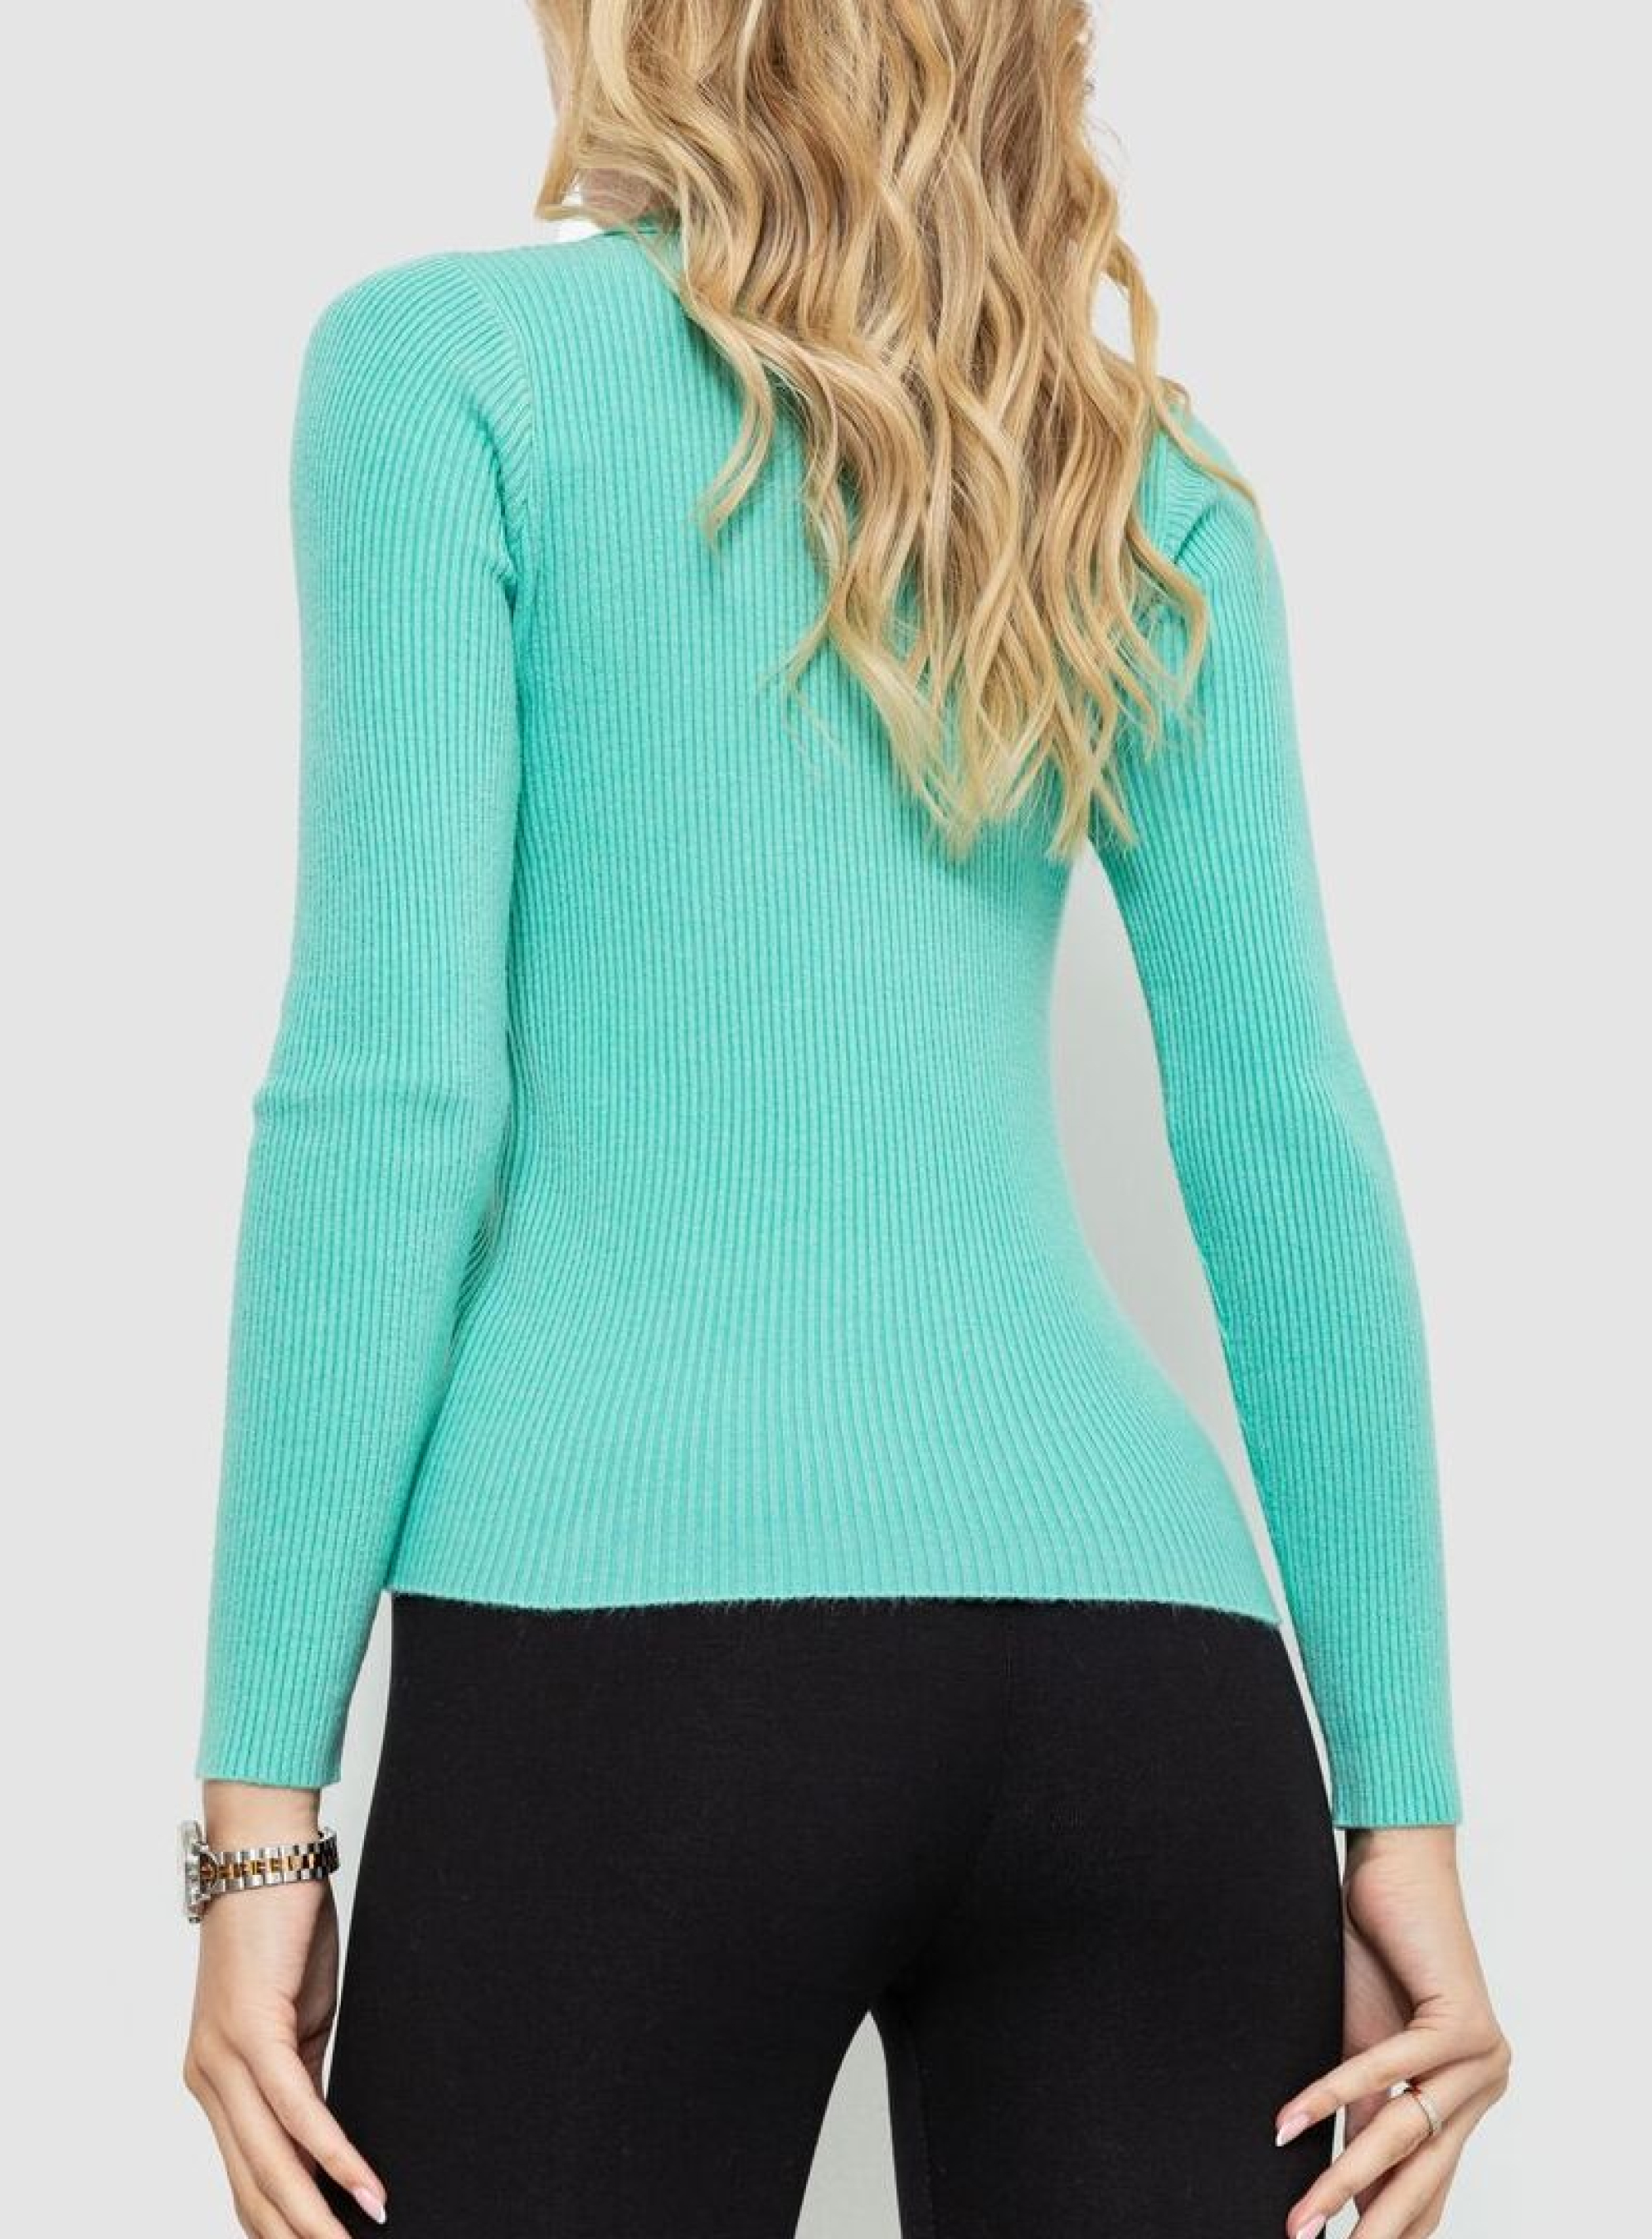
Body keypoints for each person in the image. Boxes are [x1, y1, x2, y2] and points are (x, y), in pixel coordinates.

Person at [181, 4, 1510, 2233]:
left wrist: (255, 1833)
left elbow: (390, 1096)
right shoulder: (1120, 471)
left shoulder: (445, 375)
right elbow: (1283, 1128)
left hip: (624, 1663)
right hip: (1142, 1683)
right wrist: (1405, 1818)